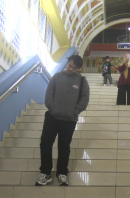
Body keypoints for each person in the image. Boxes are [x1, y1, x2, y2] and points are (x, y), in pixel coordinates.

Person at [37, 55, 90, 186]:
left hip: (69, 120)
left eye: (74, 67)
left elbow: (85, 98)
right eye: (70, 65)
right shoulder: (57, 77)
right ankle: (45, 173)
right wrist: (52, 107)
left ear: (79, 68)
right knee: (45, 143)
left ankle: (62, 173)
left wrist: (75, 111)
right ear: (68, 63)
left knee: (64, 147)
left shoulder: (82, 81)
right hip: (52, 117)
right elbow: (49, 94)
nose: (71, 69)